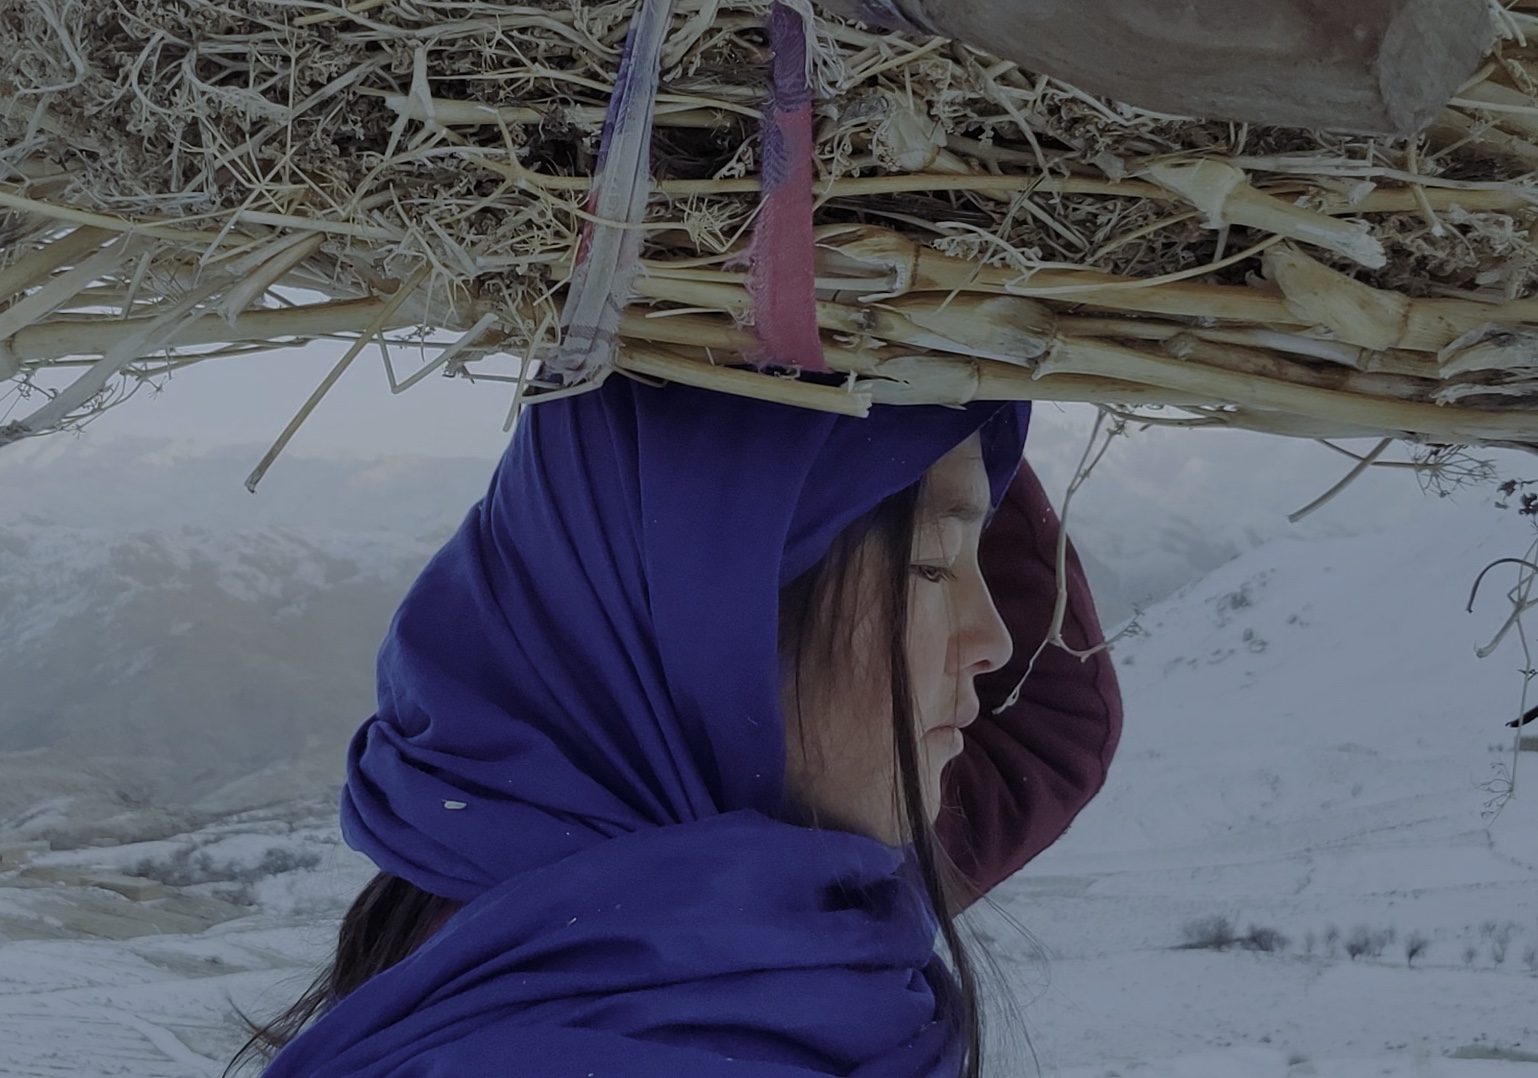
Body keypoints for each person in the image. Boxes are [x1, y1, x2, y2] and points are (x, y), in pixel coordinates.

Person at [235, 377, 1121, 1077]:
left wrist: (930, 392)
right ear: (707, 614)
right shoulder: (718, 953)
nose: (997, 639)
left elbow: (1041, 732)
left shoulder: (560, 880)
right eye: (931, 566)